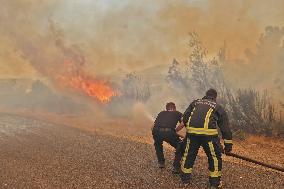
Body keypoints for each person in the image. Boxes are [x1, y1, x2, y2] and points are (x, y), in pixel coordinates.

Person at [178, 89, 233, 188]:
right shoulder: (218, 107)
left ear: (206, 95)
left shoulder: (195, 102)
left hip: (192, 133)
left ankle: (185, 180)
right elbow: (225, 128)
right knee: (214, 157)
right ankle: (214, 183)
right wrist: (228, 145)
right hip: (209, 136)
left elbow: (186, 117)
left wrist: (189, 130)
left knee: (188, 154)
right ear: (215, 97)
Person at [152, 102, 183, 171]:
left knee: (158, 144)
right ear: (174, 108)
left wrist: (156, 134)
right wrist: (175, 131)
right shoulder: (177, 113)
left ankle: (161, 163)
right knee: (180, 146)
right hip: (169, 132)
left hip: (156, 131)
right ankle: (176, 167)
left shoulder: (161, 113)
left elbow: (153, 126)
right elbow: (183, 123)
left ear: (167, 108)